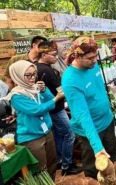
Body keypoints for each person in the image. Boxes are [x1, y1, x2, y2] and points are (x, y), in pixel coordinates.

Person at [62, 37, 116, 179]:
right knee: (94, 166)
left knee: (111, 155)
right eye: (90, 58)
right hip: (90, 131)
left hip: (107, 121)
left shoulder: (93, 66)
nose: (95, 60)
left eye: (96, 56)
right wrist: (97, 148)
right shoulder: (70, 79)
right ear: (77, 56)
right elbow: (83, 115)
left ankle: (112, 181)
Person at [8, 60, 63, 177]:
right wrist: (56, 98)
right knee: (40, 169)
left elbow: (51, 104)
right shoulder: (16, 96)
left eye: (34, 74)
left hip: (46, 131)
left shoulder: (35, 88)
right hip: (32, 137)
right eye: (28, 75)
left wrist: (44, 90)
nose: (32, 78)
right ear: (18, 76)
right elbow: (36, 110)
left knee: (52, 163)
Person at [37, 41, 81, 176]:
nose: (56, 57)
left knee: (58, 136)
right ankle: (68, 164)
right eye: (53, 54)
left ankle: (61, 161)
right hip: (56, 109)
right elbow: (61, 90)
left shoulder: (37, 68)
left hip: (49, 110)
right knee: (69, 134)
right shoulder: (47, 70)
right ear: (44, 54)